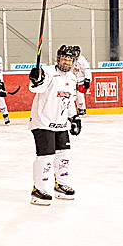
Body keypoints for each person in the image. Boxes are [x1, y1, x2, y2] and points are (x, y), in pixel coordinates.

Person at [27, 45, 80, 205]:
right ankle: (39, 189)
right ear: (58, 59)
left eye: (69, 60)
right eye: (64, 59)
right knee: (46, 157)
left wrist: (74, 117)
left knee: (64, 155)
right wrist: (35, 79)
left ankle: (61, 185)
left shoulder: (72, 78)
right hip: (43, 123)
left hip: (61, 124)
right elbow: (36, 88)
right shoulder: (48, 72)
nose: (66, 62)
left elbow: (69, 100)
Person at [71, 45, 92, 115]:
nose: (74, 53)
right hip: (74, 80)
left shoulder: (82, 60)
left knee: (79, 94)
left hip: (81, 80)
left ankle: (82, 109)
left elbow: (87, 69)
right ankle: (77, 109)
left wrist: (87, 79)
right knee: (74, 95)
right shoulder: (73, 59)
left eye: (76, 52)